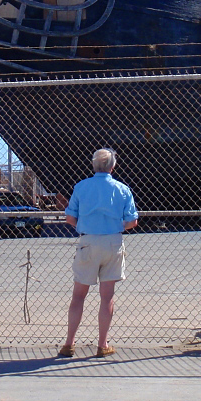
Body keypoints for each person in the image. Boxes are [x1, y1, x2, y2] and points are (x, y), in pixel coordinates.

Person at [59, 148, 138, 358]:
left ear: (93, 165)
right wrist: (114, 225)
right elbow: (132, 221)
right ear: (113, 166)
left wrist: (84, 227)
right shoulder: (122, 189)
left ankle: (69, 343)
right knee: (107, 297)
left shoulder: (81, 187)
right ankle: (102, 344)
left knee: (78, 295)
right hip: (113, 241)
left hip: (88, 241)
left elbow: (69, 217)